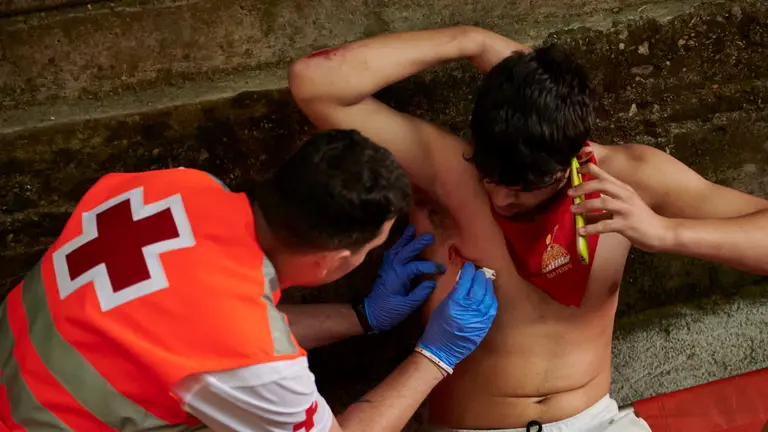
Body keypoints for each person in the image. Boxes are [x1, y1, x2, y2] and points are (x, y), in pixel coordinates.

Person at [289, 26, 768, 432]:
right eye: (491, 179)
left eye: (524, 189)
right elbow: (314, 82)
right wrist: (470, 40)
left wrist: (665, 233)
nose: (500, 199)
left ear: (569, 156)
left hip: (596, 422)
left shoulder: (629, 177)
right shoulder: (447, 171)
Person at [0, 129, 498, 432]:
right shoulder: (251, 359)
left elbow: (186, 326)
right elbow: (237, 346)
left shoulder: (178, 187)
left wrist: (361, 317)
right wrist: (437, 357)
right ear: (330, 263)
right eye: (371, 249)